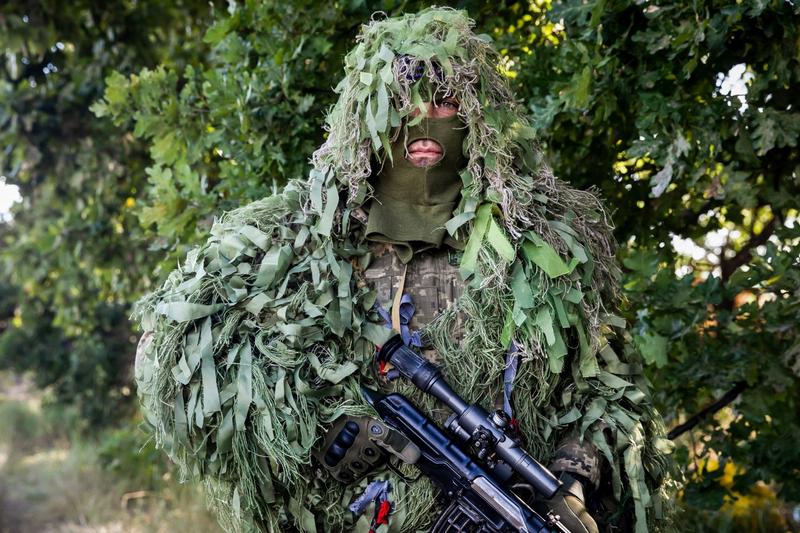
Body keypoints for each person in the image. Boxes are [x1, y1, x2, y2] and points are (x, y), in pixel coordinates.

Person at [134, 8, 676, 532]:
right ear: (367, 116)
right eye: (403, 101)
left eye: (444, 100)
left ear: (475, 118)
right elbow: (171, 350)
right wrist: (318, 424)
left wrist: (569, 483)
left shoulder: (539, 247)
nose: (425, 118)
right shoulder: (300, 238)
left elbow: (605, 392)